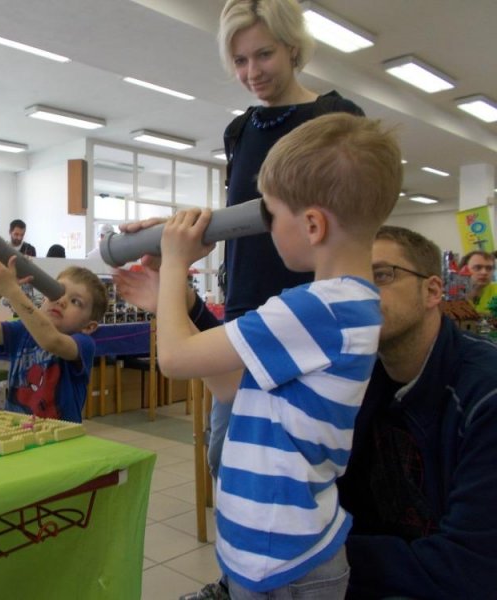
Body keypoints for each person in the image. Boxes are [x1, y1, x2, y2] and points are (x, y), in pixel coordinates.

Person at [116, 0, 364, 490]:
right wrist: (178, 229)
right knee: (228, 456)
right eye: (240, 60)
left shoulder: (336, 117)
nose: (251, 72)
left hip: (303, 312)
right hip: (245, 308)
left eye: (263, 55)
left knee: (288, 463)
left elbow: (330, 222)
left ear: (294, 48)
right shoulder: (241, 129)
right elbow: (250, 214)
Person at [156, 113, 401, 598]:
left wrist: (174, 263)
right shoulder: (342, 306)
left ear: (311, 224)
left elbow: (174, 359)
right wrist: (164, 296)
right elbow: (232, 386)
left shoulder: (316, 309)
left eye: (271, 214)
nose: (266, 228)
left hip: (283, 558)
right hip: (275, 549)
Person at [339, 226, 497, 598]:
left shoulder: (484, 396)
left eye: (381, 275)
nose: (360, 293)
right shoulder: (360, 374)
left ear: (432, 291)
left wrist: (319, 554)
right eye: (351, 281)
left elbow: (471, 567)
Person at [0, 253, 107, 423]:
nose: (61, 301)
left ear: (88, 327)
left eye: (76, 302)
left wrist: (11, 290)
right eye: (57, 291)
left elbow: (51, 341)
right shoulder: (23, 330)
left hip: (59, 439)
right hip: (17, 432)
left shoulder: (83, 343)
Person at [460, 250, 497, 314]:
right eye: (477, 268)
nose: (484, 272)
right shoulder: (452, 295)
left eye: (489, 268)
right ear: (463, 270)